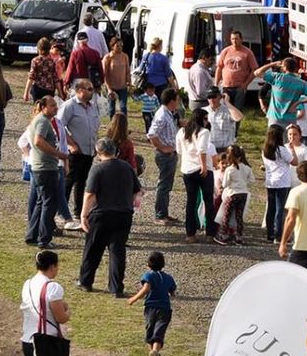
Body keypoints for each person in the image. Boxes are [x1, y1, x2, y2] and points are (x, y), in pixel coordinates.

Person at [80, 137, 141, 296]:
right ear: (115, 151)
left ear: (99, 153)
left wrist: (84, 215)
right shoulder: (127, 167)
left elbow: (90, 195)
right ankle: (116, 287)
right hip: (123, 215)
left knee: (93, 249)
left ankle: (86, 281)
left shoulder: (98, 169)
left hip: (102, 215)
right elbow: (137, 191)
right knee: (117, 251)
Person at [125, 251, 177, 356]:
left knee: (150, 330)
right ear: (163, 265)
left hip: (151, 308)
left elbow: (146, 288)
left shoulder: (149, 276)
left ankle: (152, 352)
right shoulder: (168, 278)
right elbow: (173, 292)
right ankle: (155, 352)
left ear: (148, 265)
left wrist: (134, 298)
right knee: (159, 332)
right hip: (165, 308)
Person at [19, 249, 70, 356]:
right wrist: (68, 311)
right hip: (45, 344)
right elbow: (61, 318)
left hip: (28, 341)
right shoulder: (53, 287)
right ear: (52, 267)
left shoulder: (28, 284)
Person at [58, 80, 101, 220]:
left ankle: (78, 213)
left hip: (88, 152)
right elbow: (59, 126)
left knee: (82, 182)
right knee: (68, 182)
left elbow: (95, 127)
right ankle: (61, 213)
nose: (92, 92)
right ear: (80, 90)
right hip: (75, 153)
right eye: (89, 89)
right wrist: (71, 145)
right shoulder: (69, 106)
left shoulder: (92, 107)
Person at [26, 96, 64, 249]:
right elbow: (38, 141)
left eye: (56, 105)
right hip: (45, 168)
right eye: (53, 105)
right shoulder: (42, 121)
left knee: (41, 202)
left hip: (40, 167)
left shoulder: (41, 120)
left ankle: (32, 235)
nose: (56, 108)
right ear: (44, 107)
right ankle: (44, 238)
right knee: (49, 203)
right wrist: (57, 154)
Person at [177, 107, 216, 243]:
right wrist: (204, 166)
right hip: (202, 168)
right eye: (205, 119)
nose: (207, 122)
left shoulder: (182, 132)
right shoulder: (204, 132)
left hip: (187, 169)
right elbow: (202, 150)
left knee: (191, 202)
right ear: (201, 119)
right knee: (208, 201)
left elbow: (179, 150)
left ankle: (190, 234)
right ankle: (210, 233)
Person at [146, 89, 180, 224]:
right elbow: (151, 134)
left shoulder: (168, 113)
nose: (178, 102)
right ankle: (160, 215)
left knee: (167, 185)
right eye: (177, 99)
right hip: (165, 155)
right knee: (164, 185)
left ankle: (164, 213)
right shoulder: (162, 115)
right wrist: (163, 148)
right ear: (172, 101)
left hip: (170, 154)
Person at [254, 57, 307, 129]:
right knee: (288, 139)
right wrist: (299, 102)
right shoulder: (302, 83)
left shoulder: (277, 78)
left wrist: (273, 64)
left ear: (284, 68)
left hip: (275, 118)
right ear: (295, 69)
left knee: (273, 139)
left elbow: (257, 72)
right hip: (290, 119)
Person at [261, 124, 295, 243]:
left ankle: (270, 234)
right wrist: (292, 150)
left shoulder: (265, 150)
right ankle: (278, 235)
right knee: (280, 209)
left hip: (270, 181)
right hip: (283, 181)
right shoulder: (282, 150)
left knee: (271, 208)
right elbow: (294, 162)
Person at [216, 145, 253, 246]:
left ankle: (223, 235)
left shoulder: (230, 169)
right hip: (243, 194)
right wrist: (244, 183)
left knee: (226, 215)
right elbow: (252, 180)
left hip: (232, 194)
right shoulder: (247, 167)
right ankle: (239, 236)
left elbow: (225, 184)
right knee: (239, 216)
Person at [214, 29, 258, 108]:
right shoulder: (225, 51)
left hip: (239, 87)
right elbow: (219, 68)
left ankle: (237, 121)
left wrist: (245, 84)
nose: (234, 41)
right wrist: (216, 84)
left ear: (241, 39)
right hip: (226, 87)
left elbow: (254, 70)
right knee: (226, 109)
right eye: (232, 39)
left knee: (237, 110)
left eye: (236, 39)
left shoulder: (247, 52)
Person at [25, 37, 63, 104]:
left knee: (38, 108)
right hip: (49, 89)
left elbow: (31, 77)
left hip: (38, 88)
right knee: (48, 109)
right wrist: (60, 92)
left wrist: (26, 92)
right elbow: (56, 78)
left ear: (39, 49)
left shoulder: (35, 60)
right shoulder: (52, 61)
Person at [101, 40, 130, 118]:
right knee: (111, 109)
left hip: (122, 86)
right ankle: (112, 126)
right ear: (112, 46)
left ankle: (124, 126)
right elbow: (105, 74)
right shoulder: (108, 57)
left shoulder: (125, 56)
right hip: (111, 86)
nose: (120, 47)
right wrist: (109, 89)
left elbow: (127, 70)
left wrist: (129, 82)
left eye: (121, 45)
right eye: (118, 46)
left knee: (123, 107)